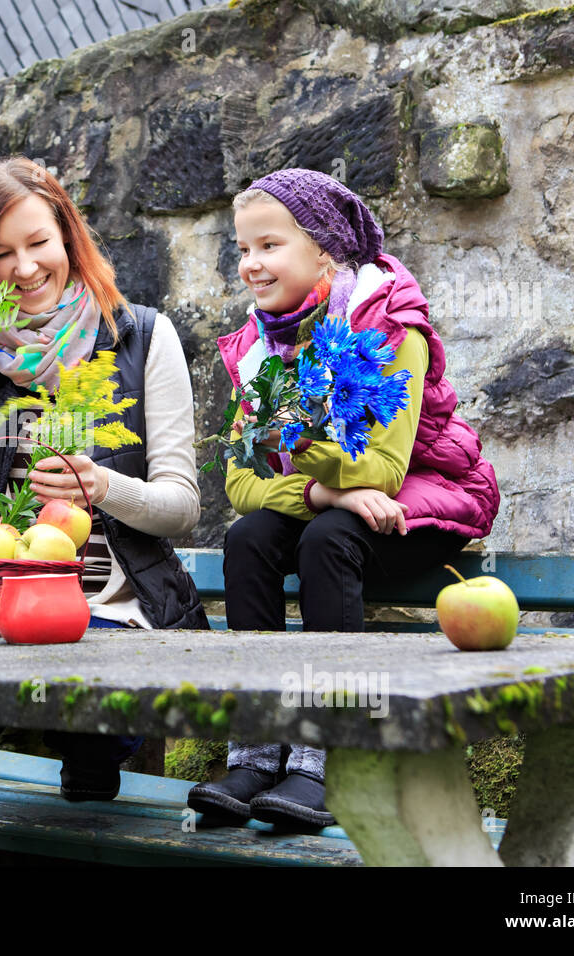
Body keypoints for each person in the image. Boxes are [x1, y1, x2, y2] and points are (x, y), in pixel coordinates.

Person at [186, 168, 500, 829]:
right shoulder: (260, 349)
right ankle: (258, 745)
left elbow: (384, 469)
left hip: (433, 499)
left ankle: (330, 755)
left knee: (326, 539)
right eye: (242, 249)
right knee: (247, 541)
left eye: (268, 246)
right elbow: (241, 485)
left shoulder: (392, 327)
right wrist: (322, 489)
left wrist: (294, 445)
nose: (250, 264)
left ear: (324, 248)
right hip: (339, 502)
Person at [0, 157, 208, 849]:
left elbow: (183, 507)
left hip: (111, 613)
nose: (23, 268)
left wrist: (104, 486)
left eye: (36, 243)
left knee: (87, 730)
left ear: (67, 237)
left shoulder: (142, 336)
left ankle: (87, 782)